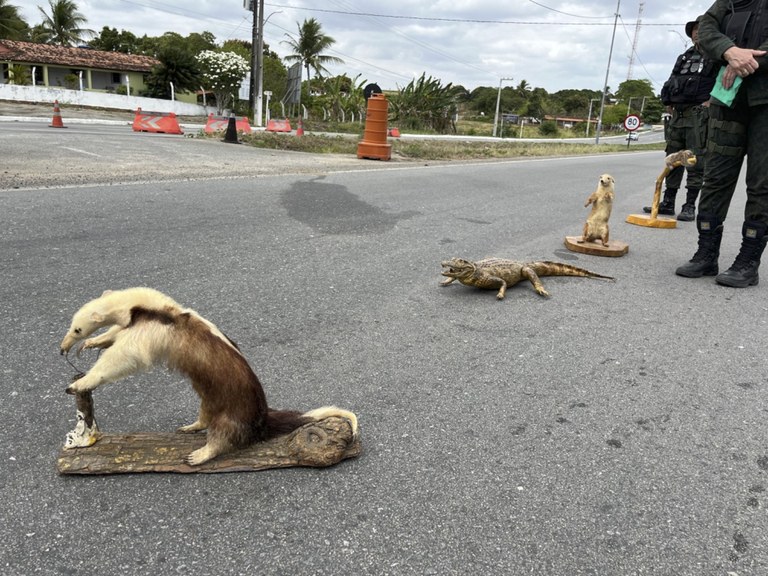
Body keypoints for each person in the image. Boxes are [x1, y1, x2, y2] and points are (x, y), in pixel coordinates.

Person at [675, 1, 768, 287]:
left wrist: (744, 63)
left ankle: (748, 262)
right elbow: (706, 28)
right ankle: (706, 254)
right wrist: (729, 52)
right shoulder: (730, 0)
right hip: (727, 99)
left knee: (761, 183)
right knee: (715, 177)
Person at [643, 18, 717, 221]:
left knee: (693, 159)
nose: (696, 32)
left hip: (698, 115)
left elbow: (722, 81)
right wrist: (668, 101)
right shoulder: (684, 57)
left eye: (701, 29)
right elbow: (672, 79)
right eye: (694, 29)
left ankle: (690, 205)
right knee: (673, 159)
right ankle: (667, 203)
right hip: (678, 114)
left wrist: (711, 102)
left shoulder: (716, 56)